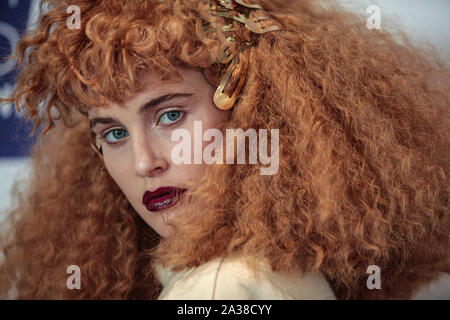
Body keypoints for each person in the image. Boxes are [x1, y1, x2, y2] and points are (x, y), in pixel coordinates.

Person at [0, 0, 448, 300]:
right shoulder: (272, 270)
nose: (144, 162)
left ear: (255, 110)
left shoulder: (222, 287)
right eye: (114, 133)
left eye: (170, 115)